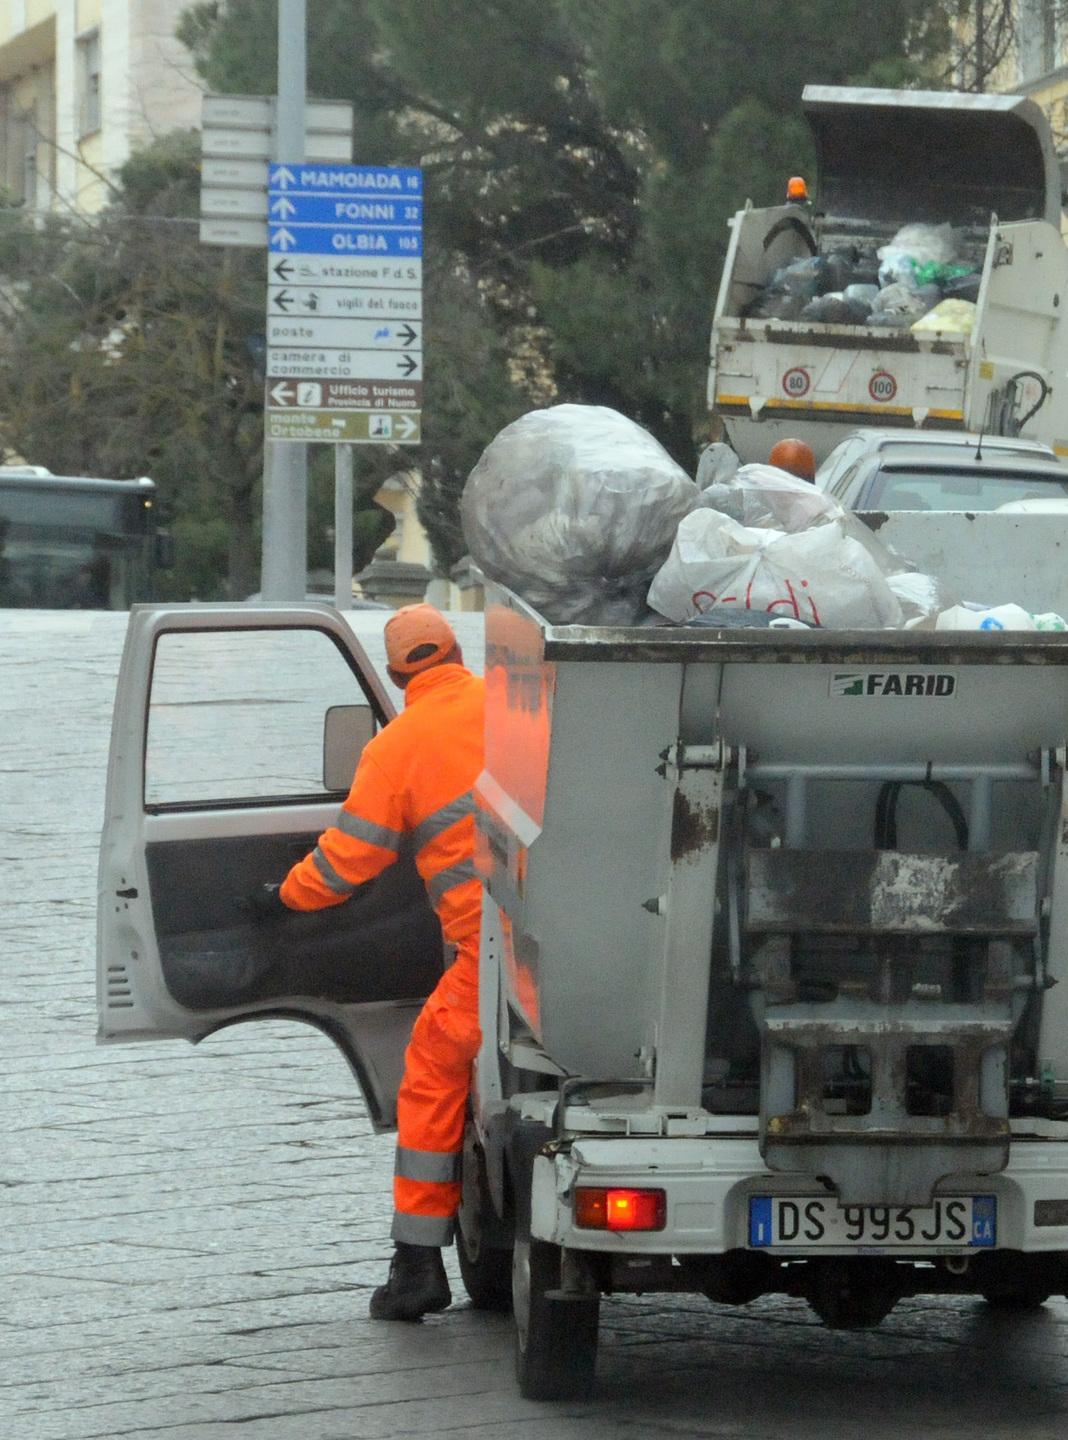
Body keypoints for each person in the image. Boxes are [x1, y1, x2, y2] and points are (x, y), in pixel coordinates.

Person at [251, 603, 485, 1322]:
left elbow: (346, 862)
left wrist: (283, 897)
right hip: (598, 931)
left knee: (431, 1069)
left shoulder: (396, 748)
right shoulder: (518, 704)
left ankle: (417, 1263)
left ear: (394, 673)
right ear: (455, 651)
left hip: (497, 955)